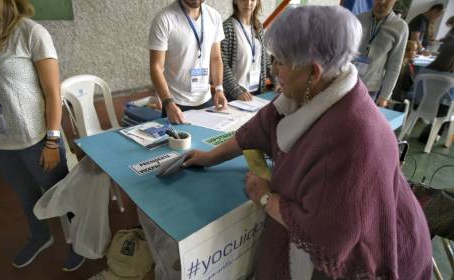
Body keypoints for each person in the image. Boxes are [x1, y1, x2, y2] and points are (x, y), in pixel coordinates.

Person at [184, 5, 432, 279]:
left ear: (313, 71)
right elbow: (257, 129)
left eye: (279, 62)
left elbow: (327, 234)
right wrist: (209, 157)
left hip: (373, 257)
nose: (274, 70)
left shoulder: (352, 138)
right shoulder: (314, 87)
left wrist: (265, 197)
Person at [0, 0, 84, 271]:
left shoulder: (31, 33)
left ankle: (81, 241)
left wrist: (52, 141)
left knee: (60, 194)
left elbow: (52, 93)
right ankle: (40, 236)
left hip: (35, 140)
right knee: (25, 196)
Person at [149, 0, 227, 124]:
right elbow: (156, 67)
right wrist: (168, 102)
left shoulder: (214, 16)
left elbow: (215, 58)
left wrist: (219, 89)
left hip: (206, 100)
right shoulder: (164, 19)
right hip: (175, 103)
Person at [356, 0, 408, 106]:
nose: (382, 1)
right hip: (349, 82)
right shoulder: (359, 19)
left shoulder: (400, 27)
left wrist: (385, 96)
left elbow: (394, 65)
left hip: (370, 89)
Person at [221, 0, 272, 101]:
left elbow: (265, 60)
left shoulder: (258, 27)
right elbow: (223, 65)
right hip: (236, 96)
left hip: (257, 93)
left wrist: (277, 81)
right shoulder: (227, 27)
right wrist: (237, 92)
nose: (248, 3)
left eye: (252, 0)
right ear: (235, 1)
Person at [407, 47, 454, 143]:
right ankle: (436, 133)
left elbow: (413, 91)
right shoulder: (451, 77)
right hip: (439, 112)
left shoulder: (424, 70)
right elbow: (450, 99)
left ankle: (431, 131)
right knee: (450, 107)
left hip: (417, 106)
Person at [391, 40, 418, 106]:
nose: (416, 52)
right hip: (400, 96)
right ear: (406, 51)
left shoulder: (397, 62)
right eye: (414, 50)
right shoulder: (407, 67)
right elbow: (408, 86)